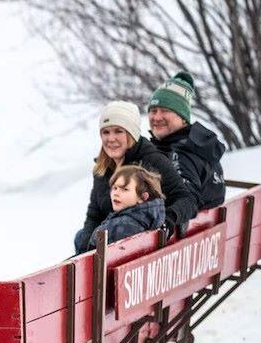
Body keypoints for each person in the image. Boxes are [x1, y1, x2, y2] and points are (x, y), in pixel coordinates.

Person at [73, 100, 197, 255]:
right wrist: (85, 252)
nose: (111, 139)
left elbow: (188, 199)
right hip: (110, 245)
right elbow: (94, 214)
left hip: (141, 248)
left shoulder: (152, 160)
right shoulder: (102, 167)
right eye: (106, 132)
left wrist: (168, 221)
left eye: (118, 131)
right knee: (80, 237)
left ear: (131, 133)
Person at [147, 71, 226, 211]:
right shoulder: (196, 145)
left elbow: (186, 198)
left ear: (183, 117)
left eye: (165, 110)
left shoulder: (182, 153)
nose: (157, 117)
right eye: (153, 111)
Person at [78, 165, 165, 252]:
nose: (116, 193)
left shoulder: (117, 227)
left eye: (124, 189)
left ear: (143, 197)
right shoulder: (155, 217)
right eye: (115, 188)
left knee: (79, 238)